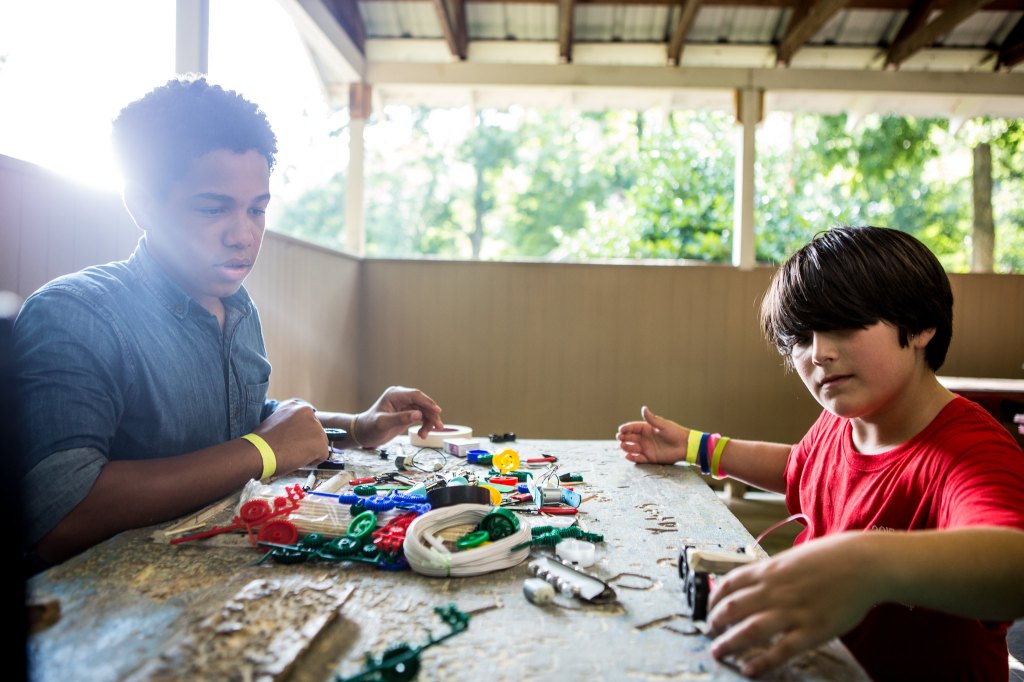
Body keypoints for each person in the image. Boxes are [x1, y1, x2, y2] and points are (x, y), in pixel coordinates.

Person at [14, 76, 443, 571]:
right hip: (102, 618)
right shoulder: (76, 315)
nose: (243, 236)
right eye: (213, 208)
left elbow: (237, 421)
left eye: (257, 209)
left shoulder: (236, 308)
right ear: (142, 205)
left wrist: (355, 427)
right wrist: (263, 450)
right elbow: (58, 515)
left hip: (217, 582)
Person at [617, 226, 1024, 680]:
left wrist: (868, 561)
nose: (819, 353)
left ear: (922, 324)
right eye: (802, 339)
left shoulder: (969, 452)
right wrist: (697, 447)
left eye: (844, 324)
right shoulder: (846, 421)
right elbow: (800, 467)